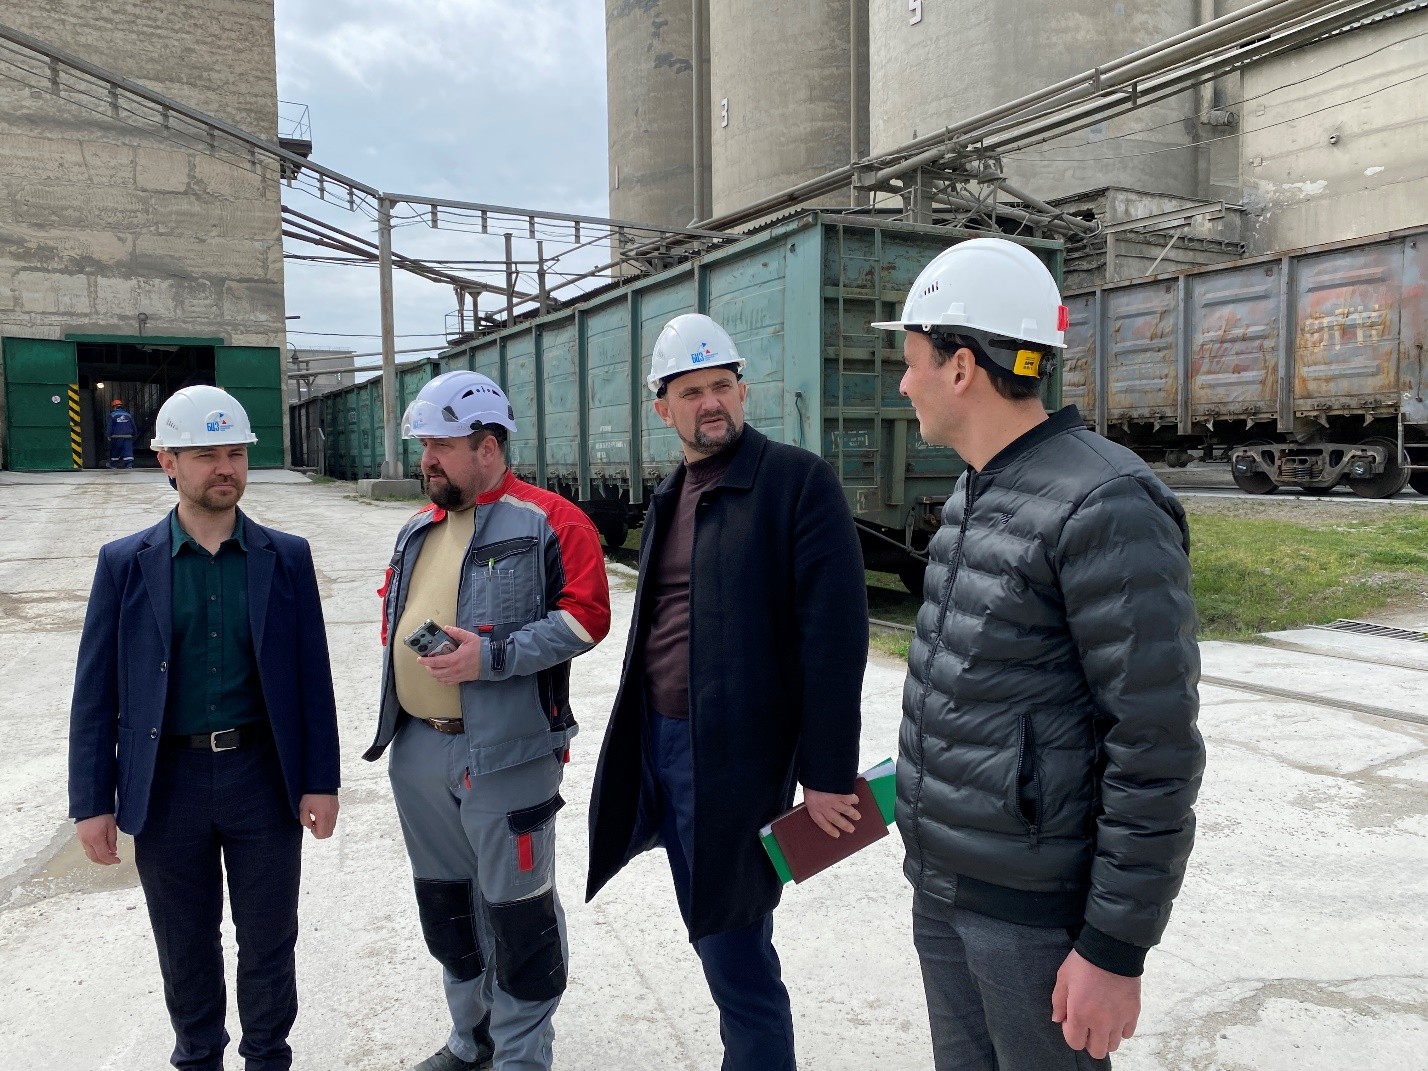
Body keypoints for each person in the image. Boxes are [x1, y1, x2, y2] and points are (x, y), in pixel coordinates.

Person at [870, 238, 1205, 1070]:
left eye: (911, 361)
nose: (904, 383)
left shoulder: (1106, 503)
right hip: (943, 885)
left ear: (960, 368)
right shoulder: (975, 488)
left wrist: (1114, 948)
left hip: (1030, 916)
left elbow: (1154, 742)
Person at [586, 313, 870, 1071]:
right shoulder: (670, 495)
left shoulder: (795, 483)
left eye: (722, 385)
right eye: (691, 391)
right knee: (709, 928)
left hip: (735, 760)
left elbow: (835, 639)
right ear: (663, 409)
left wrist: (827, 772)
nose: (710, 402)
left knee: (734, 946)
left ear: (743, 391)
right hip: (661, 742)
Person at [68, 384, 341, 1071]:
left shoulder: (286, 557)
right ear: (167, 462)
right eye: (207, 455)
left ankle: (268, 1058)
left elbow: (312, 678)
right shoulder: (125, 563)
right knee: (185, 943)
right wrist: (92, 801)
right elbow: (95, 693)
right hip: (168, 785)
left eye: (236, 454)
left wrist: (321, 780)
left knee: (270, 940)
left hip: (262, 778)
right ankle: (197, 1058)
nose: (226, 468)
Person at [364, 370, 611, 1071]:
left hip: (507, 754)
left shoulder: (551, 521)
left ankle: (521, 1057)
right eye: (424, 447)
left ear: (489, 446)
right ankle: (470, 1042)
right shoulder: (418, 527)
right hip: (419, 749)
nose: (427, 461)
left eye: (440, 447)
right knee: (447, 909)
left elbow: (588, 618)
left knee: (519, 916)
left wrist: (492, 655)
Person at [107, 397, 137, 468]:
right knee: (128, 450)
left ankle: (113, 464)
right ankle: (129, 465)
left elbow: (110, 426)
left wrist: (108, 435)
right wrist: (135, 433)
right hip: (128, 436)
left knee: (116, 451)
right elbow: (133, 425)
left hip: (116, 437)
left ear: (114, 407)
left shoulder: (112, 415)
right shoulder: (128, 415)